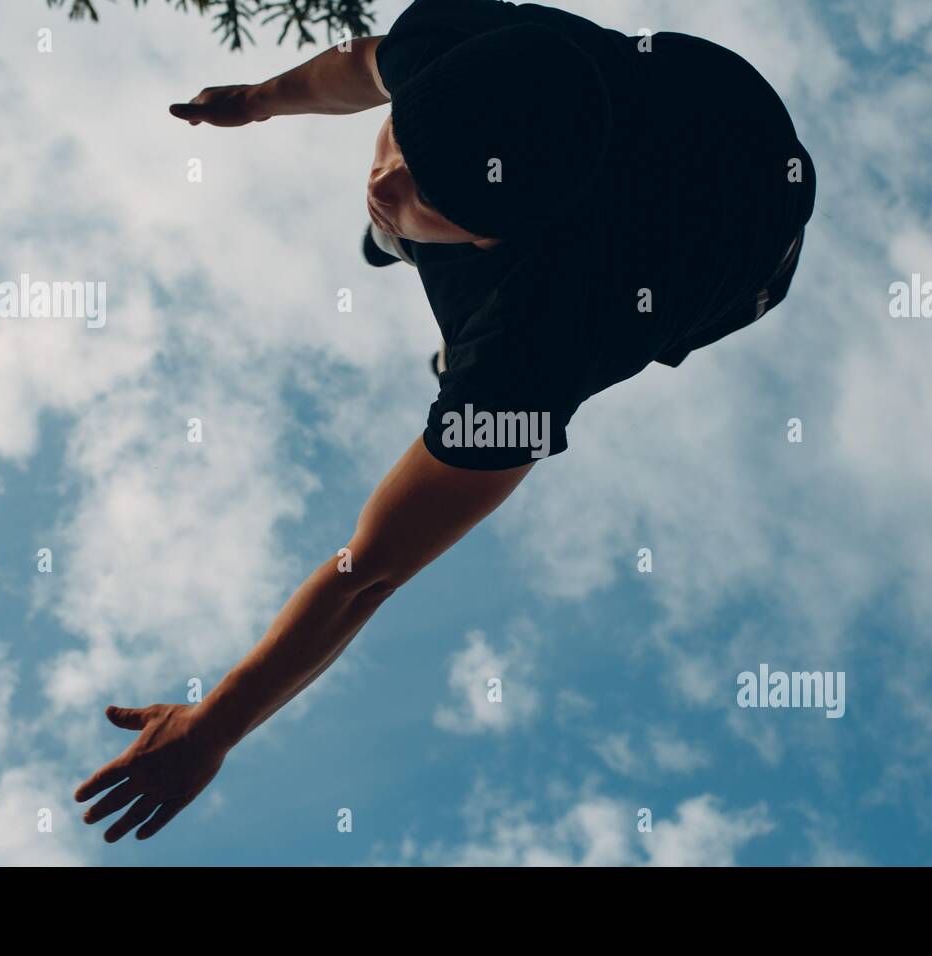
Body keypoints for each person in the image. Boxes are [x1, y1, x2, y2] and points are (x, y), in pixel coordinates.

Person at [76, 0, 816, 842]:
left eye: (431, 196)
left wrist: (218, 723)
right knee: (405, 183)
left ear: (505, 234)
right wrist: (259, 99)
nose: (384, 184)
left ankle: (413, 267)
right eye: (406, 147)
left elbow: (372, 571)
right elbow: (364, 67)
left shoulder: (529, 354)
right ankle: (404, 238)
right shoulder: (464, 45)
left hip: (742, 257)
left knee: (469, 343)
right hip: (709, 97)